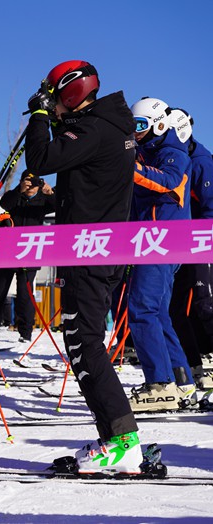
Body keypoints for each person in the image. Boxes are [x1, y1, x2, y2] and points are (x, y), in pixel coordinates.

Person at [24, 61, 142, 473]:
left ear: (71, 93)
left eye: (53, 96)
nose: (51, 105)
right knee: (84, 341)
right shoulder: (107, 125)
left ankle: (122, 440)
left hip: (91, 253)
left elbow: (39, 157)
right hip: (96, 248)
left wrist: (38, 114)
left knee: (84, 343)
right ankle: (118, 437)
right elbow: (90, 190)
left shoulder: (93, 129)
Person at [127, 97, 194, 411]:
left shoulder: (172, 152)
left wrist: (131, 168)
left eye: (141, 126)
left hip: (161, 240)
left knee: (141, 308)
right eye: (133, 127)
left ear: (159, 124)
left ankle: (159, 384)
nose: (136, 132)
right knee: (157, 313)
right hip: (156, 240)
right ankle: (181, 380)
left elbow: (167, 181)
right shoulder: (151, 150)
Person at [167, 108, 213, 391]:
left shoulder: (200, 160)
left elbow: (209, 207)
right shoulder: (170, 156)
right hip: (178, 241)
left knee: (204, 304)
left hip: (201, 240)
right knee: (175, 308)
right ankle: (193, 365)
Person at [0, 169, 55, 343]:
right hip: (7, 250)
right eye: (27, 182)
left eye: (33, 183)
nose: (30, 187)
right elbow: (6, 204)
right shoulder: (15, 196)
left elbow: (58, 205)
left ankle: (25, 331)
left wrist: (50, 192)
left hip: (30, 250)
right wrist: (19, 190)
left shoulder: (43, 199)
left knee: (25, 294)